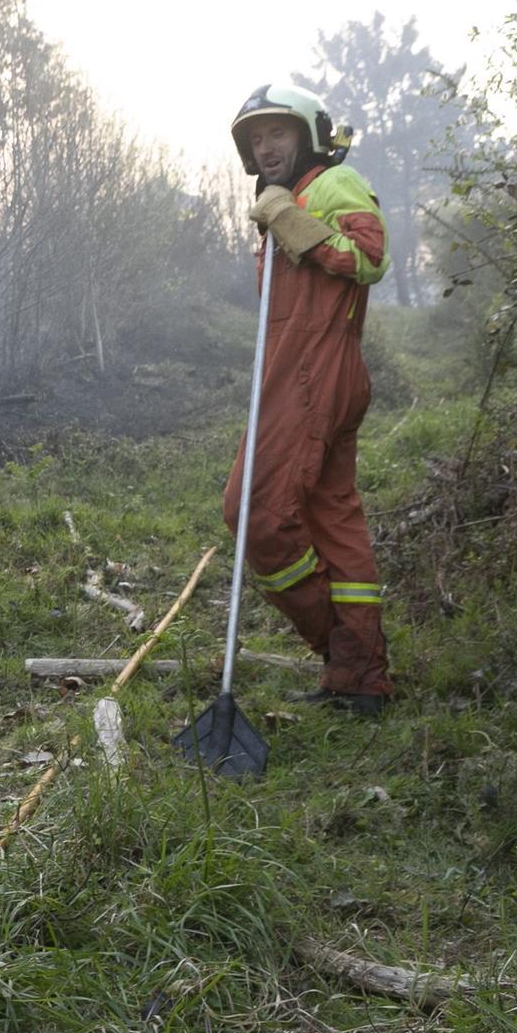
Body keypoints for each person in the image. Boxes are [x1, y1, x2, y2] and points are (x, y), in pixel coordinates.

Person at [228, 82, 394, 715]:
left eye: (279, 133)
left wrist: (289, 219)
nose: (267, 147)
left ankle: (345, 655)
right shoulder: (287, 198)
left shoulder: (326, 187)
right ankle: (361, 678)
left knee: (256, 514)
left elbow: (369, 256)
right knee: (332, 520)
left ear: (309, 135)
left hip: (312, 378)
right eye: (257, 138)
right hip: (313, 375)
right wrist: (280, 212)